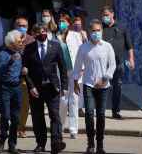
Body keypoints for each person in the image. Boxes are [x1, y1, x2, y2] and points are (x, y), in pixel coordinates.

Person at [23, 23, 68, 154]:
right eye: (38, 32)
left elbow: (63, 67)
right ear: (34, 34)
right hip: (36, 89)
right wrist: (31, 87)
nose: (41, 34)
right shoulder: (29, 48)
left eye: (44, 31)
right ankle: (40, 144)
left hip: (52, 87)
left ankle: (56, 143)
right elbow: (25, 70)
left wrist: (64, 86)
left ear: (47, 32)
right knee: (38, 117)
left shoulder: (55, 45)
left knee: (55, 116)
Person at [73, 19, 116, 154]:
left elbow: (112, 65)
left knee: (101, 114)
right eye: (94, 31)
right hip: (89, 85)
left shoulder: (107, 46)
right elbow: (78, 66)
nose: (96, 33)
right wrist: (75, 81)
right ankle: (90, 144)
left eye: (98, 30)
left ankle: (100, 145)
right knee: (90, 114)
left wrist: (105, 78)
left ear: (102, 31)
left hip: (103, 86)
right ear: (89, 31)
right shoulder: (83, 47)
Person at [101, 6, 135, 119]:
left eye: (106, 15)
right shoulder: (101, 28)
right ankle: (100, 110)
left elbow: (129, 45)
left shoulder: (122, 27)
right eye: (103, 15)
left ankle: (116, 111)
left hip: (118, 62)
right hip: (103, 64)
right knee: (102, 86)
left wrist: (131, 59)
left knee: (117, 86)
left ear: (112, 14)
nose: (105, 17)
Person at [56, 15, 87, 139]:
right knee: (62, 101)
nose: (61, 23)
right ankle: (60, 127)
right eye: (60, 21)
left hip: (75, 72)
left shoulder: (76, 35)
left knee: (74, 100)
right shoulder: (55, 37)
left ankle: (73, 130)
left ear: (68, 23)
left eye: (63, 21)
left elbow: (82, 52)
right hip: (61, 73)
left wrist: (82, 67)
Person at [0, 30, 24, 154]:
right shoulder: (3, 54)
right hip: (5, 88)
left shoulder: (21, 53)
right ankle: (2, 140)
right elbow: (0, 72)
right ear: (12, 43)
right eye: (19, 41)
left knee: (16, 118)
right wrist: (11, 60)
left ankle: (12, 144)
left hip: (17, 88)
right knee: (5, 115)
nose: (21, 43)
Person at [14, 16, 35, 138]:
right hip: (12, 76)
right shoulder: (9, 39)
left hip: (26, 77)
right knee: (14, 104)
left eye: (24, 25)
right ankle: (14, 126)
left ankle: (21, 128)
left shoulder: (32, 40)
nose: (22, 27)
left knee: (24, 105)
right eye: (19, 25)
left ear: (27, 27)